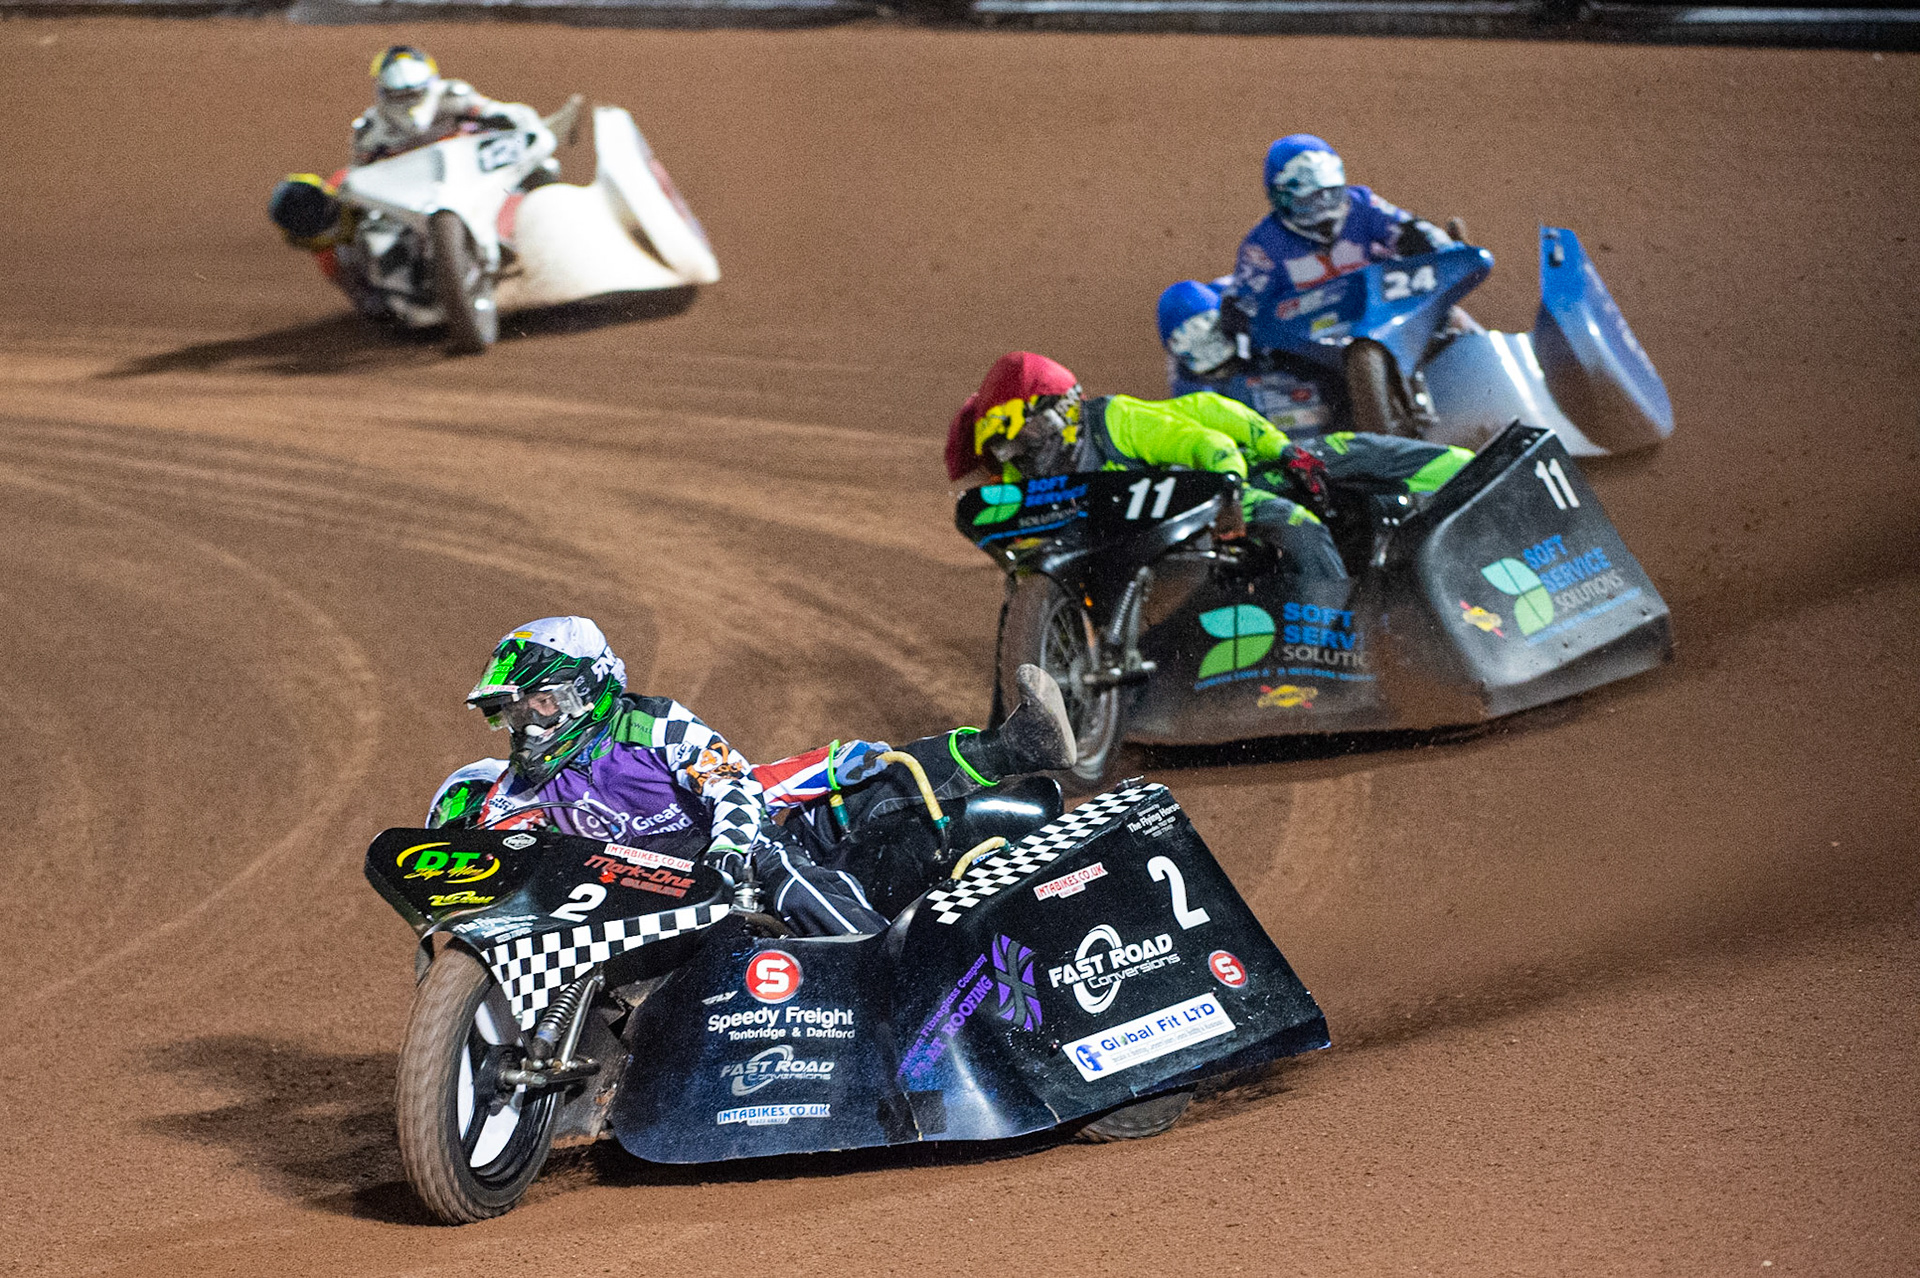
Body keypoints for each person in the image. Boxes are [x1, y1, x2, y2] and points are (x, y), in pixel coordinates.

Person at [425, 617, 1077, 938]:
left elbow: (736, 787)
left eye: (543, 706)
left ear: (588, 692)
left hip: (729, 855)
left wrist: (732, 851)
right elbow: (486, 852)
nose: (531, 727)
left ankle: (888, 970)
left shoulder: (656, 726)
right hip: (635, 910)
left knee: (804, 845)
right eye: (515, 714)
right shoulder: (518, 790)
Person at [945, 351, 1472, 588]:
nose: (1019, 454)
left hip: (1229, 483)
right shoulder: (1018, 488)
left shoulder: (1118, 420)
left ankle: (1474, 474)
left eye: (1026, 435)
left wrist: (1233, 498)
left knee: (1322, 489)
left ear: (1062, 413)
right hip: (1158, 541)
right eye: (1005, 448)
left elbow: (1214, 442)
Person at [266, 46, 547, 297]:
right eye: (397, 95)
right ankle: (399, 290)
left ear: (429, 84)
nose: (407, 101)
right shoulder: (369, 131)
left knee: (544, 167)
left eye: (412, 93)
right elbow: (364, 180)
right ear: (382, 93)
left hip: (476, 173)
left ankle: (559, 227)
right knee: (362, 228)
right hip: (415, 197)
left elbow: (519, 119)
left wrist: (505, 121)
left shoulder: (454, 96)